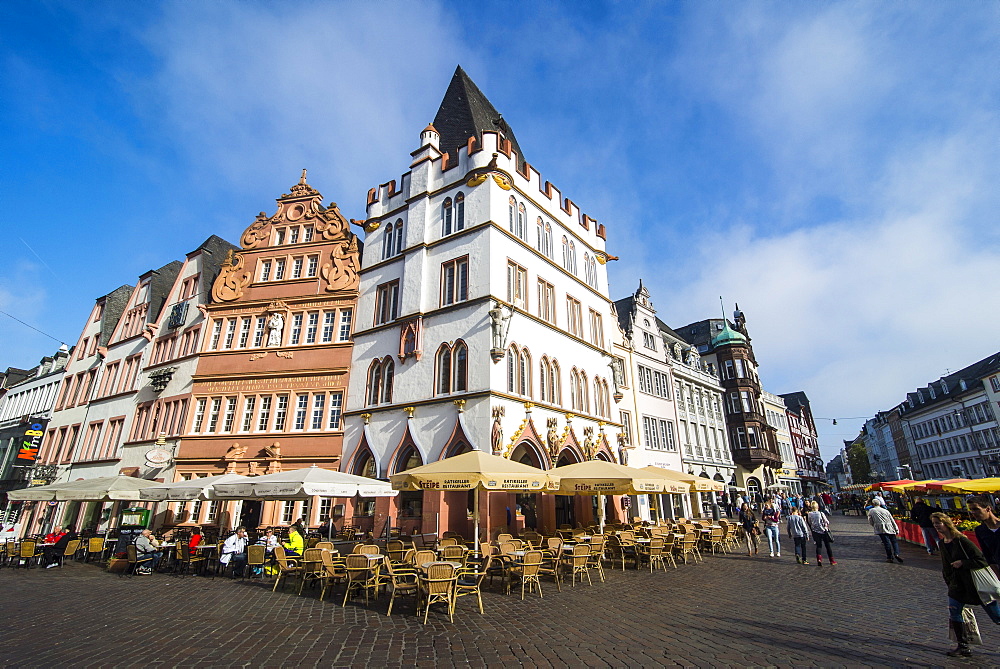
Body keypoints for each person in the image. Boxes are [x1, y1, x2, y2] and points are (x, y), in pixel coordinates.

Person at [932, 511, 1000, 657]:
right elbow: (945, 565)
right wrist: (948, 580)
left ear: (946, 523)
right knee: (954, 612)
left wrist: (963, 562)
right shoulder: (941, 543)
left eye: (938, 523)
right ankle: (962, 645)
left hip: (975, 584)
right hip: (957, 585)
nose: (936, 526)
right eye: (934, 524)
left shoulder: (962, 540)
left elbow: (981, 560)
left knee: (996, 616)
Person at [968, 495, 1000, 576]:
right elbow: (987, 555)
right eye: (971, 510)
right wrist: (997, 574)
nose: (973, 513)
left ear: (988, 509)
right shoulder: (980, 530)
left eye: (976, 509)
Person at [867, 497, 903, 563]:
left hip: (880, 528)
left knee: (887, 543)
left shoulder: (871, 511)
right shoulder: (886, 510)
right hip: (890, 527)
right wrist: (896, 529)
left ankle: (890, 557)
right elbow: (892, 520)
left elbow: (870, 521)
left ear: (873, 504)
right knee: (894, 541)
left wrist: (875, 526)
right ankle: (896, 553)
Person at [807, 501, 836, 566]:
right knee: (827, 546)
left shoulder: (810, 514)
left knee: (818, 546)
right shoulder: (821, 513)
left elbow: (809, 522)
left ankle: (819, 558)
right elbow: (827, 521)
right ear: (817, 506)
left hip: (815, 531)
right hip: (823, 531)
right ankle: (831, 560)